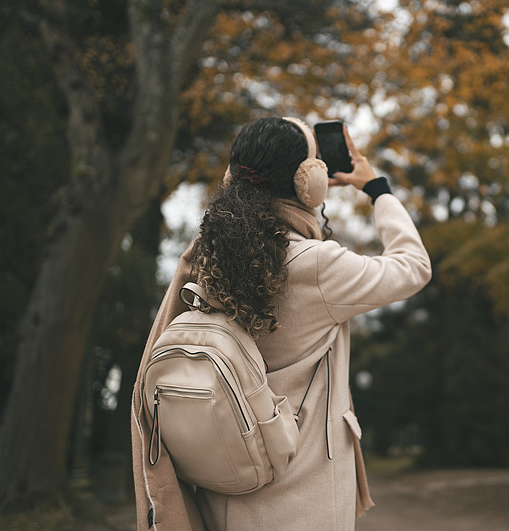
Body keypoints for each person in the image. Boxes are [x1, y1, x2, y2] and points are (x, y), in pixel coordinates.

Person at [131, 116, 432, 531]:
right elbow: (414, 266)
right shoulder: (317, 266)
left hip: (221, 495)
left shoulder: (207, 257)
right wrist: (376, 188)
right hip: (302, 504)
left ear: (231, 178)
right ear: (310, 184)